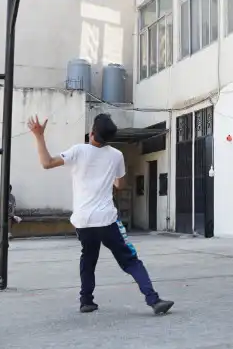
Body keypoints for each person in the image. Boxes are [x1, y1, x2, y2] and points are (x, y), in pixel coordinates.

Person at [27, 113, 173, 315]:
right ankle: (153, 299)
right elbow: (121, 184)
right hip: (107, 220)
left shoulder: (78, 151)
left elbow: (47, 163)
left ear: (91, 133)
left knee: (88, 257)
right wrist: (108, 177)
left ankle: (86, 301)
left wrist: (39, 136)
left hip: (83, 222)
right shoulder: (116, 155)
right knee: (130, 260)